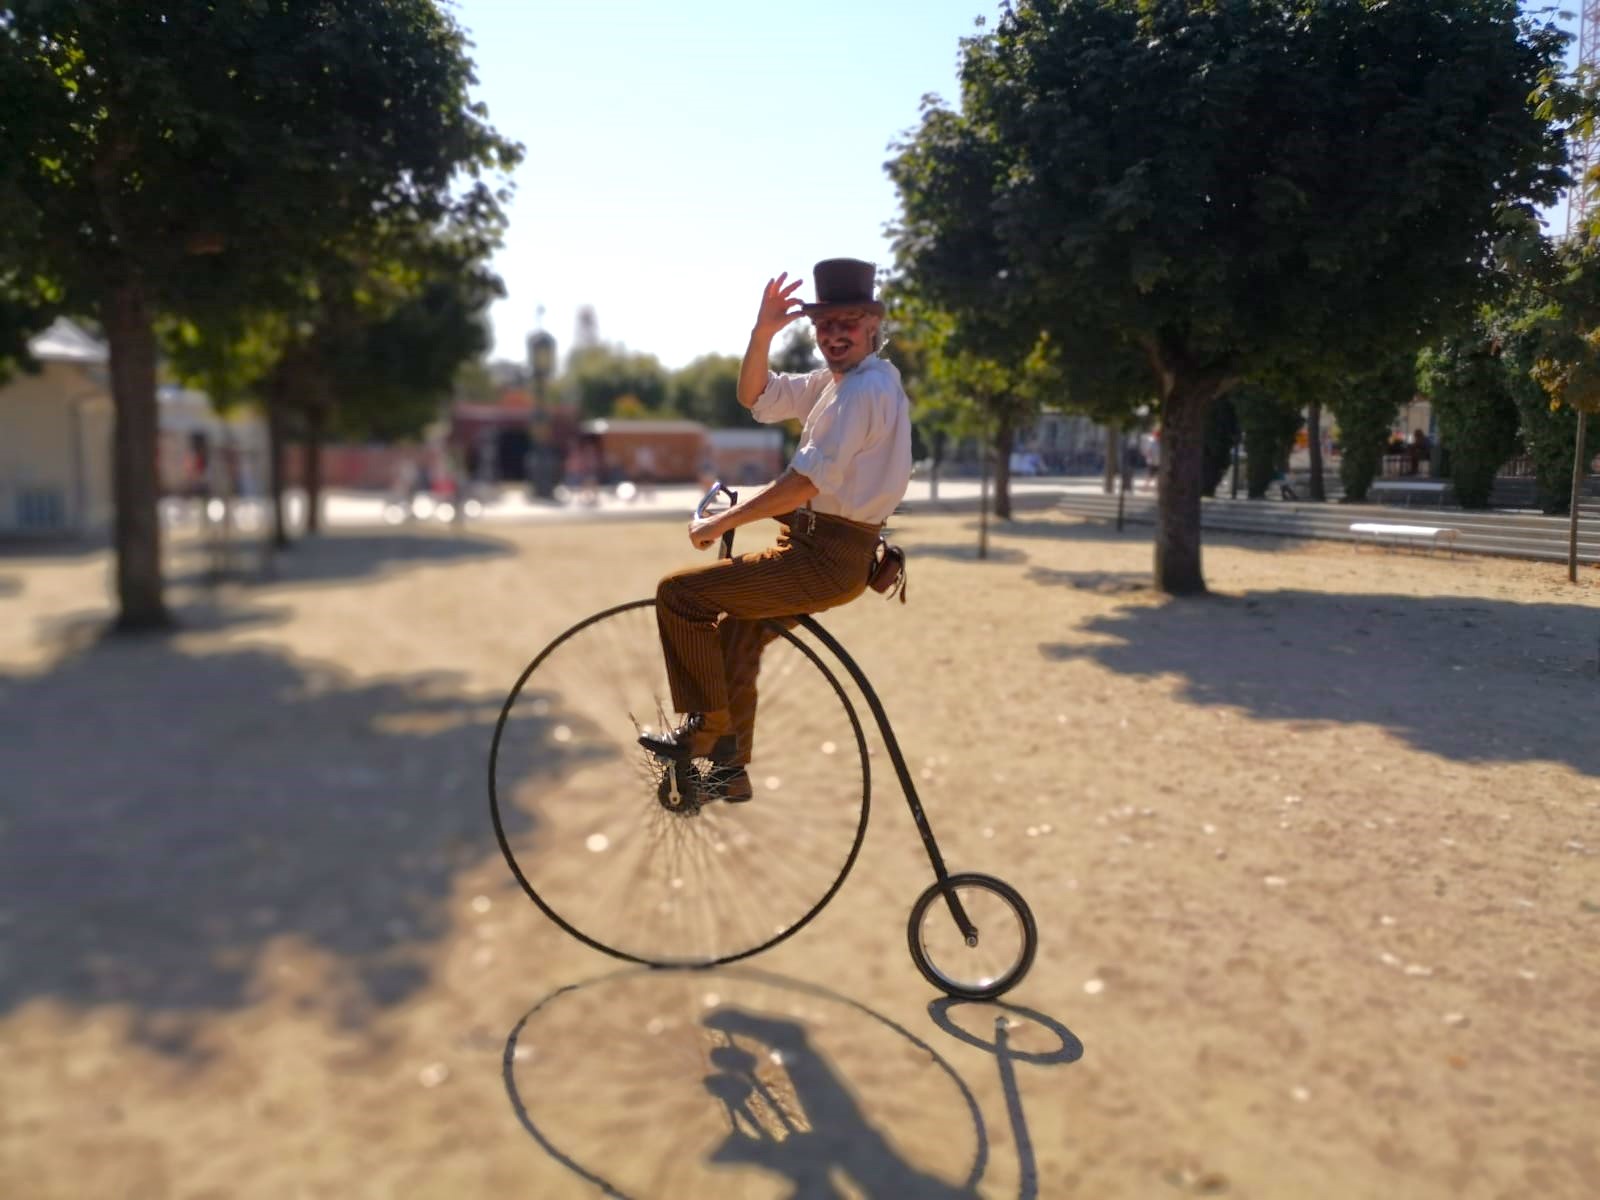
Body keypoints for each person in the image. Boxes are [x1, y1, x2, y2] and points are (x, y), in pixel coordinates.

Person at [639, 258, 912, 802]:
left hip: (825, 559)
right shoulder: (838, 384)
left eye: (848, 322)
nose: (834, 334)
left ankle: (705, 730)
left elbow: (803, 482)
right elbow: (756, 396)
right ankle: (728, 772)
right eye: (825, 324)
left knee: (679, 596)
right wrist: (762, 332)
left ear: (872, 326)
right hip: (817, 545)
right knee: (736, 632)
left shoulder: (861, 392)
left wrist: (723, 522)